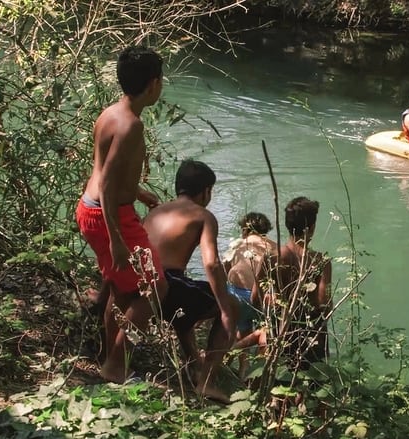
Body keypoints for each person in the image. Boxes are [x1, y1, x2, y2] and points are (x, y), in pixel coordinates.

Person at [75, 45, 168, 384]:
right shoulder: (131, 126)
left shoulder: (111, 113)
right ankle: (116, 364)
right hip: (109, 215)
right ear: (153, 84)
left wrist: (138, 192)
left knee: (122, 289)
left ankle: (107, 359)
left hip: (92, 208)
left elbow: (103, 171)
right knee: (155, 288)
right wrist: (116, 238)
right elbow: (110, 182)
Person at [142, 160, 238, 403]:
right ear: (205, 191)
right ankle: (207, 383)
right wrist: (225, 307)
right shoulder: (203, 215)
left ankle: (193, 363)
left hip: (143, 285)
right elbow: (211, 264)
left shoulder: (155, 211)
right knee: (232, 305)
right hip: (168, 284)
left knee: (188, 297)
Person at [252, 196, 332, 371]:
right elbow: (324, 303)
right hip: (310, 332)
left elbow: (255, 298)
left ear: (288, 226)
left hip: (279, 327)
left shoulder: (271, 257)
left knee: (279, 379)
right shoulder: (321, 261)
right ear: (311, 228)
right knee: (311, 384)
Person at [222, 212, 277, 379]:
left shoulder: (238, 245)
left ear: (245, 229)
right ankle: (260, 371)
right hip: (263, 295)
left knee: (243, 328)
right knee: (265, 331)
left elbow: (225, 269)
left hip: (238, 294)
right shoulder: (273, 246)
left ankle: (243, 367)